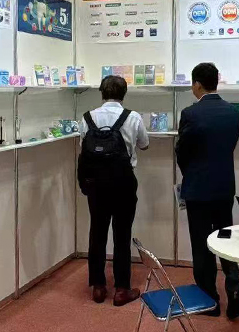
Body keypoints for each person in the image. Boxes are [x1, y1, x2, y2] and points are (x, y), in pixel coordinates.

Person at [176, 63, 239, 319]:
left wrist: (190, 172)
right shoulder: (232, 112)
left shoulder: (190, 113)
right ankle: (234, 289)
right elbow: (231, 146)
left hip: (198, 189)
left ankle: (209, 300)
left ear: (197, 85)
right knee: (226, 239)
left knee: (202, 245)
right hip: (224, 187)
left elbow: (182, 151)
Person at [78, 75, 149, 306]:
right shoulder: (133, 117)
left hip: (96, 185)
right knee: (122, 234)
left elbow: (83, 148)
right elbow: (144, 144)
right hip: (123, 183)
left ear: (101, 92)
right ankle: (121, 289)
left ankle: (98, 287)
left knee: (97, 233)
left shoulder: (87, 117)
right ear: (124, 94)